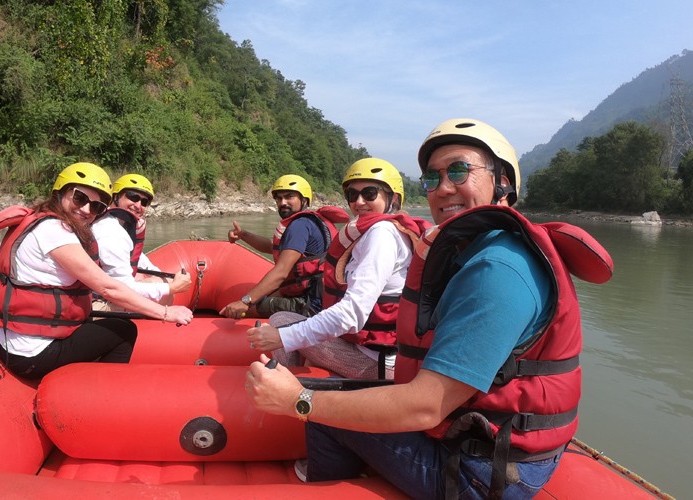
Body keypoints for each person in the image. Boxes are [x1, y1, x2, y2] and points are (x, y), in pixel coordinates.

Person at [245, 119, 614, 499]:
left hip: (481, 474)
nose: (444, 188)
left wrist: (298, 401)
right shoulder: (480, 252)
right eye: (432, 178)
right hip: (485, 444)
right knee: (335, 398)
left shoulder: (497, 270)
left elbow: (425, 406)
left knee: (323, 414)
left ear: (502, 181)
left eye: (459, 170)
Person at [0, 163, 194, 380]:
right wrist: (167, 313)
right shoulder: (54, 231)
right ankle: (98, 390)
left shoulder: (44, 221)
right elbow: (108, 288)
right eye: (79, 198)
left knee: (106, 324)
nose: (86, 210)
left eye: (95, 207)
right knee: (124, 331)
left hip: (11, 341)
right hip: (31, 355)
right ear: (60, 192)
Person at [247, 159, 430, 380]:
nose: (359, 202)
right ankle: (306, 380)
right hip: (372, 350)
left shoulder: (382, 234)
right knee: (288, 321)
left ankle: (282, 390)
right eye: (352, 195)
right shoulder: (383, 231)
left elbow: (352, 314)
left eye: (370, 193)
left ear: (394, 198)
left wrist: (282, 337)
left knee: (280, 322)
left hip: (375, 362)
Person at [220, 174, 349, 319]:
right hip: (319, 296)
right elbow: (273, 247)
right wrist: (243, 235)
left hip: (311, 304)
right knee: (267, 297)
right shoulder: (311, 222)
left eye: (289, 197)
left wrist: (245, 301)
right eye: (279, 198)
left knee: (239, 311)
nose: (283, 202)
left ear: (304, 200)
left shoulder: (300, 225)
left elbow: (281, 272)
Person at [91, 173, 191, 311]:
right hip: (96, 304)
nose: (138, 205)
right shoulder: (110, 232)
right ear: (116, 196)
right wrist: (172, 287)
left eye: (144, 202)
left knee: (156, 280)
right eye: (133, 197)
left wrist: (162, 275)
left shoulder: (119, 224)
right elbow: (122, 289)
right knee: (165, 293)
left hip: (105, 291)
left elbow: (138, 258)